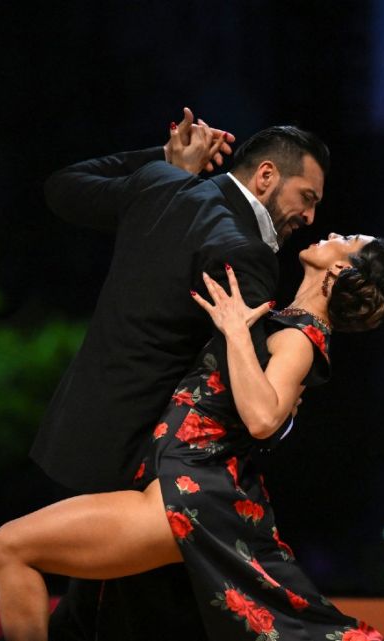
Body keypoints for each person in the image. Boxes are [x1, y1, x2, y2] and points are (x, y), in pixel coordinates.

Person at [0, 233, 384, 641]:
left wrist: (236, 331)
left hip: (183, 495)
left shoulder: (300, 337)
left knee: (9, 548)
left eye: (346, 239)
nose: (331, 233)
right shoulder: (290, 325)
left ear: (340, 267)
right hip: (183, 488)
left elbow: (262, 418)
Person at [26, 109, 330, 639]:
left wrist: (162, 159)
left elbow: (63, 187)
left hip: (84, 430)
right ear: (265, 176)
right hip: (152, 460)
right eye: (307, 197)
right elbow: (247, 391)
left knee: (104, 613)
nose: (309, 215)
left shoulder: (164, 185)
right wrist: (282, 415)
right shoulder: (247, 250)